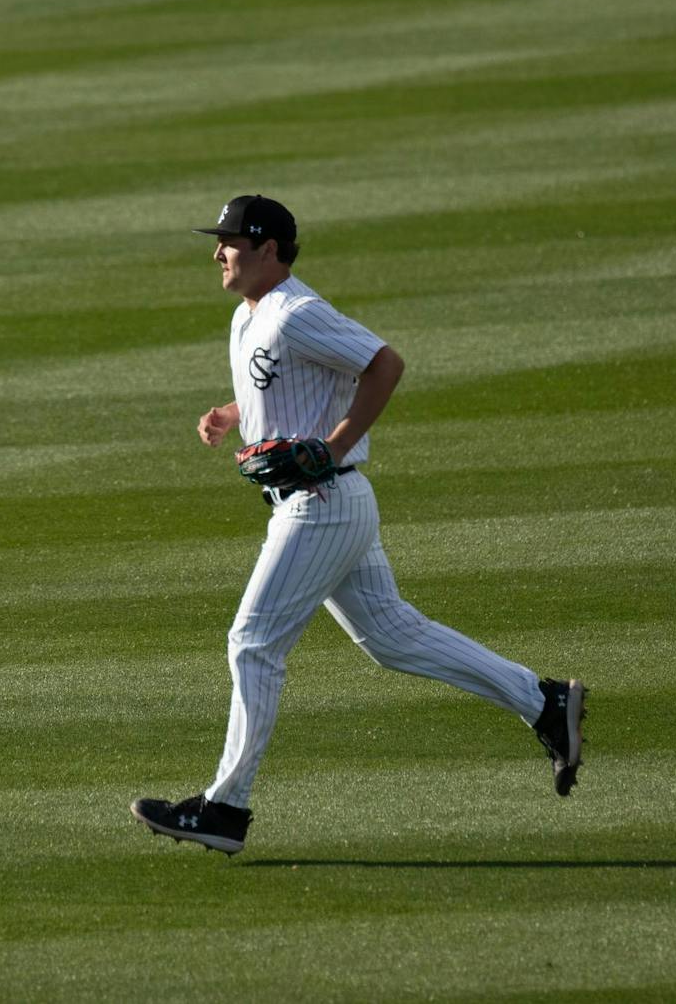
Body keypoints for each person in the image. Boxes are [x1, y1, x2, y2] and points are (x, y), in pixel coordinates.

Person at [130, 195, 586, 856]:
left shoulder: (297, 311)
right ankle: (542, 701)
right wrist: (233, 411)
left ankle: (225, 807)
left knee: (252, 644)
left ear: (268, 248)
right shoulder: (247, 316)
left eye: (230, 240)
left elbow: (384, 363)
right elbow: (285, 380)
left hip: (322, 498)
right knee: (393, 636)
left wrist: (332, 446)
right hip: (328, 503)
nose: (218, 251)